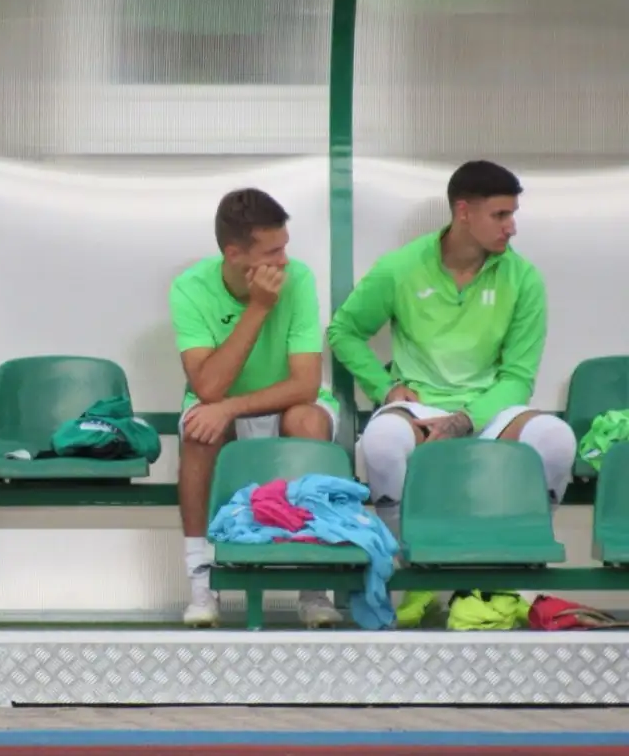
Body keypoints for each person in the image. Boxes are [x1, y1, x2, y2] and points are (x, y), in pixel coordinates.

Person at [328, 160, 574, 626]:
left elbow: (518, 376)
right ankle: (411, 568)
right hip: (420, 407)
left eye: (512, 214)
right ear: (463, 212)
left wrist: (465, 419)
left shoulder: (524, 278)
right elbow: (344, 331)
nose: (511, 227)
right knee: (380, 443)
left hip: (491, 409)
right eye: (500, 215)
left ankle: (514, 568)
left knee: (557, 440)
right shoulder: (400, 267)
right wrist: (384, 388)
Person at [170, 188, 343, 629]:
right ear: (234, 254)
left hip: (287, 403)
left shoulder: (298, 279)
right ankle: (202, 585)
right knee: (199, 430)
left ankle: (314, 586)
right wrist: (259, 308)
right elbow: (208, 387)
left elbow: (305, 384)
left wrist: (231, 407)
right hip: (220, 404)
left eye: (284, 247)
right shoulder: (190, 288)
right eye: (272, 252)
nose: (284, 261)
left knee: (306, 421)